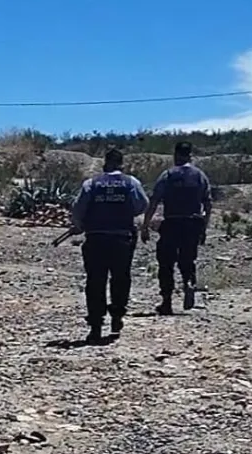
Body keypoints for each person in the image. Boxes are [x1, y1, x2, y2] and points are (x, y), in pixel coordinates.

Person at [70, 148, 149, 343]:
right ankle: (117, 316)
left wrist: (80, 226)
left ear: (105, 164)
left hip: (96, 239)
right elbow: (142, 205)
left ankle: (96, 325)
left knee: (95, 281)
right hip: (121, 238)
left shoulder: (91, 184)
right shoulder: (131, 182)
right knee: (120, 278)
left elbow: (78, 209)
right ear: (122, 164)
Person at [140, 141, 212, 315]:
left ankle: (167, 301)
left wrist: (145, 225)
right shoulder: (200, 176)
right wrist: (204, 227)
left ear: (175, 155)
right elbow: (208, 203)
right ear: (190, 155)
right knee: (188, 259)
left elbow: (154, 200)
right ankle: (189, 282)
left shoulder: (168, 175)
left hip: (172, 223)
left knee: (166, 263)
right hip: (192, 223)